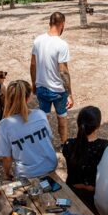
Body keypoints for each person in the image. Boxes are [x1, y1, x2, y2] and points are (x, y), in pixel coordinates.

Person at [0, 80, 57, 180]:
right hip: (50, 165)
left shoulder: (4, 125)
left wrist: (7, 174)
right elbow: (49, 139)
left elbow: (6, 158)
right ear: (28, 98)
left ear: (8, 99)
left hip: (27, 173)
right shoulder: (40, 114)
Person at [30, 11, 73, 145]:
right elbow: (63, 71)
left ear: (50, 23)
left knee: (44, 121)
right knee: (62, 122)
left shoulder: (37, 41)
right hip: (59, 91)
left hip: (42, 87)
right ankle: (64, 145)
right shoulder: (62, 44)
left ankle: (44, 146)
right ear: (62, 24)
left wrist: (34, 83)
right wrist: (70, 93)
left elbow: (32, 65)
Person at [62, 106, 108, 209]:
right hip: (94, 197)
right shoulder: (105, 146)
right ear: (98, 125)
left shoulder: (68, 144)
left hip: (71, 191)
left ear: (78, 123)